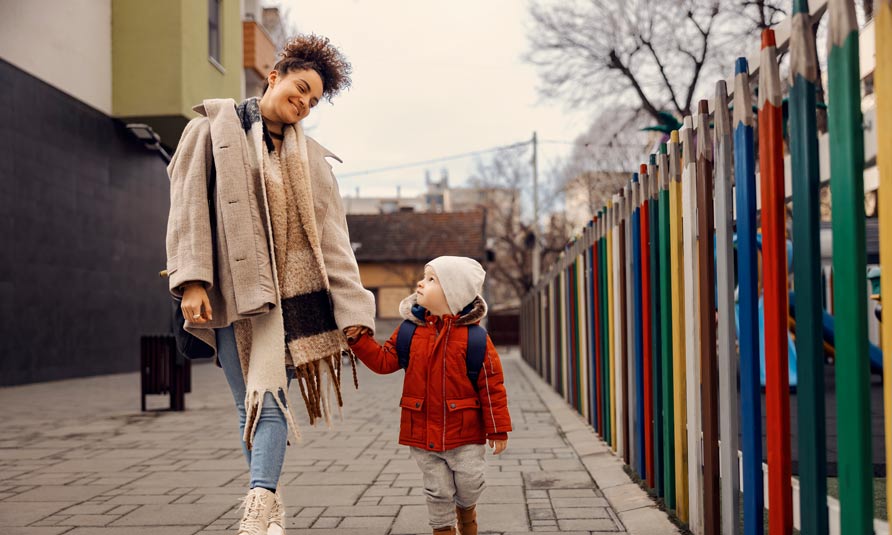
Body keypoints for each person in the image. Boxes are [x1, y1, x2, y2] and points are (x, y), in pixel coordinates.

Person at [165, 34, 375, 535]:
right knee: (250, 405)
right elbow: (187, 208)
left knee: (269, 399)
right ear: (275, 74)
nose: (302, 103)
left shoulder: (313, 162)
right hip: (230, 294)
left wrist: (353, 314)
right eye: (300, 88)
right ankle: (271, 502)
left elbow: (334, 245)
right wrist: (191, 281)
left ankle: (258, 509)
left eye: (313, 100)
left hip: (291, 303)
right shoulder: (211, 128)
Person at [345, 256, 512, 535]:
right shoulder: (410, 331)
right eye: (424, 276)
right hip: (423, 431)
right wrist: (359, 341)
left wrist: (498, 429)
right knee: (437, 490)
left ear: (453, 292)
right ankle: (443, 529)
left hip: (465, 432)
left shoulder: (477, 339)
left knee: (471, 482)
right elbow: (385, 362)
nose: (421, 283)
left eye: (431, 279)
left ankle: (467, 513)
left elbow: (493, 385)